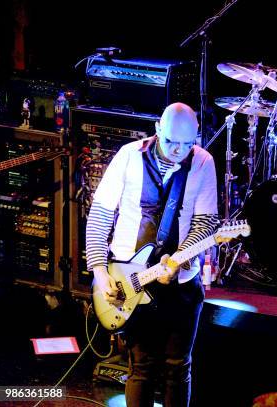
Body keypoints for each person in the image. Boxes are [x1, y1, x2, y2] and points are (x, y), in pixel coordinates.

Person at [87, 102, 219, 406]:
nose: (178, 150)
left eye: (188, 143)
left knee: (177, 368)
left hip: (181, 282)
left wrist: (180, 258)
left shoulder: (202, 162)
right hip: (128, 277)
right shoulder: (128, 156)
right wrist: (99, 271)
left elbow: (205, 222)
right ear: (158, 129)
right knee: (141, 369)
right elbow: (100, 214)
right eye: (171, 141)